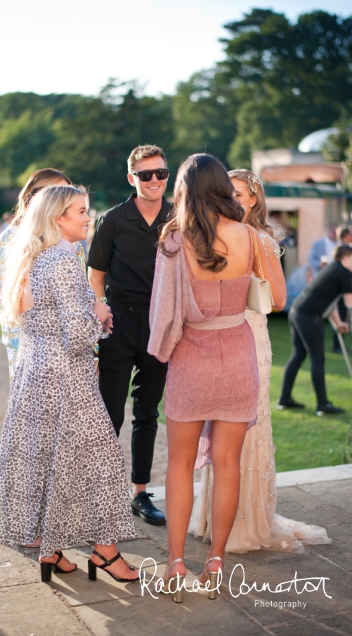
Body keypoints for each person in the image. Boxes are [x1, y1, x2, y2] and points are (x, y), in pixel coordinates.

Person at [0, 184, 139, 584]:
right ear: (59, 219)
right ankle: (106, 552)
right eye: (81, 211)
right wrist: (101, 313)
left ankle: (50, 549)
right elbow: (77, 333)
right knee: (102, 458)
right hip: (65, 374)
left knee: (47, 458)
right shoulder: (65, 259)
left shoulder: (31, 256)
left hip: (32, 371)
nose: (88, 217)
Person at [189, 169, 331, 553]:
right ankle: (212, 519)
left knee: (249, 427)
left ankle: (246, 522)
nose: (233, 200)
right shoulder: (213, 235)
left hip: (250, 334)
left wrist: (244, 282)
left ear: (253, 199)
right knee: (218, 427)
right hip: (217, 334)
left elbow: (280, 299)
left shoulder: (262, 240)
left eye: (239, 194)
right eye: (227, 193)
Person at [148, 153, 262, 601]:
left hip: (191, 359)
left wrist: (159, 352)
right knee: (228, 463)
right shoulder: (248, 235)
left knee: (179, 463)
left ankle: (175, 563)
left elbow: (162, 311)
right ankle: (215, 560)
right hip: (237, 356)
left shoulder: (173, 240)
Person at [87, 145, 172, 527]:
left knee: (147, 413)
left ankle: (140, 493)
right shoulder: (113, 219)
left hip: (161, 325)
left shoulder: (179, 218)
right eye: (146, 174)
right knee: (109, 413)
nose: (154, 180)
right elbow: (96, 274)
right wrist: (100, 309)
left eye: (161, 173)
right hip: (118, 325)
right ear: (131, 178)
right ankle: (100, 494)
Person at [0, 168, 72, 379]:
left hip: (66, 347)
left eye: (69, 194)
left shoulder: (72, 242)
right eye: (58, 194)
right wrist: (32, 308)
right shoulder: (11, 238)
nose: (66, 201)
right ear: (35, 197)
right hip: (25, 346)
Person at [278, 243, 352, 416]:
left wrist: (338, 323)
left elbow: (330, 302)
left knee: (298, 355)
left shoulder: (333, 270)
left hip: (297, 312)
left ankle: (284, 399)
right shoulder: (344, 272)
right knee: (317, 359)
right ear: (346, 258)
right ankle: (322, 405)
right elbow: (349, 303)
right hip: (309, 317)